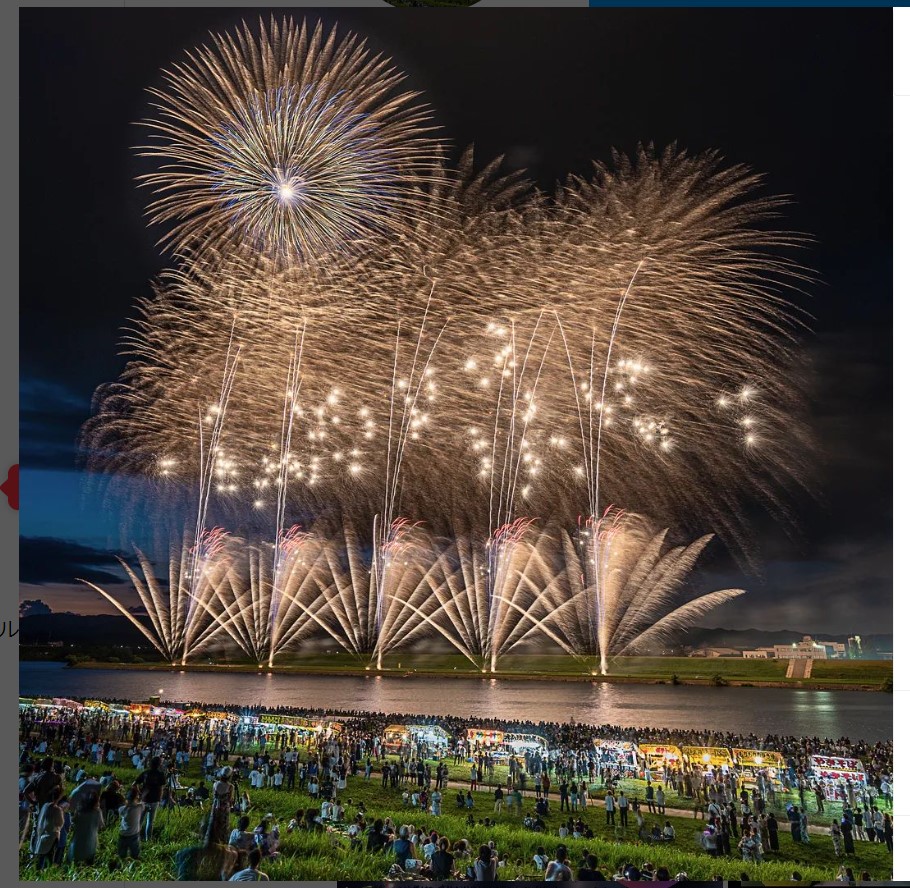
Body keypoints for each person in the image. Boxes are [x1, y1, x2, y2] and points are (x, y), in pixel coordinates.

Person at [31, 786, 65, 872]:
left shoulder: (45, 806)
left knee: (41, 858)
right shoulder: (57, 809)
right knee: (49, 859)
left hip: (43, 836)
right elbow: (60, 823)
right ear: (59, 796)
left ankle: (37, 874)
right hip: (53, 837)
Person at [136, 755, 167, 841]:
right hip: (154, 800)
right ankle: (148, 839)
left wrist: (139, 793)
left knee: (140, 820)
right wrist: (159, 798)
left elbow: (135, 783)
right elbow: (161, 788)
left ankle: (136, 837)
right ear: (159, 764)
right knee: (150, 822)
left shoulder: (145, 773)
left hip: (144, 799)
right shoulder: (161, 774)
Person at [118, 788, 144, 861]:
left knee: (122, 856)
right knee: (135, 856)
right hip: (134, 835)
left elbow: (123, 809)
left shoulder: (122, 809)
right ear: (137, 797)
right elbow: (142, 802)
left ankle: (122, 869)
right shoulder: (140, 807)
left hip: (123, 834)